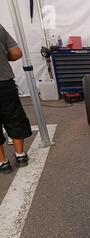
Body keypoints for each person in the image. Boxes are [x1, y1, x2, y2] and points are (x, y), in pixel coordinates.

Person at [0, 24, 32, 174]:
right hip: (4, 81)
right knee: (13, 116)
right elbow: (16, 53)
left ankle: (3, 163)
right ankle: (20, 156)